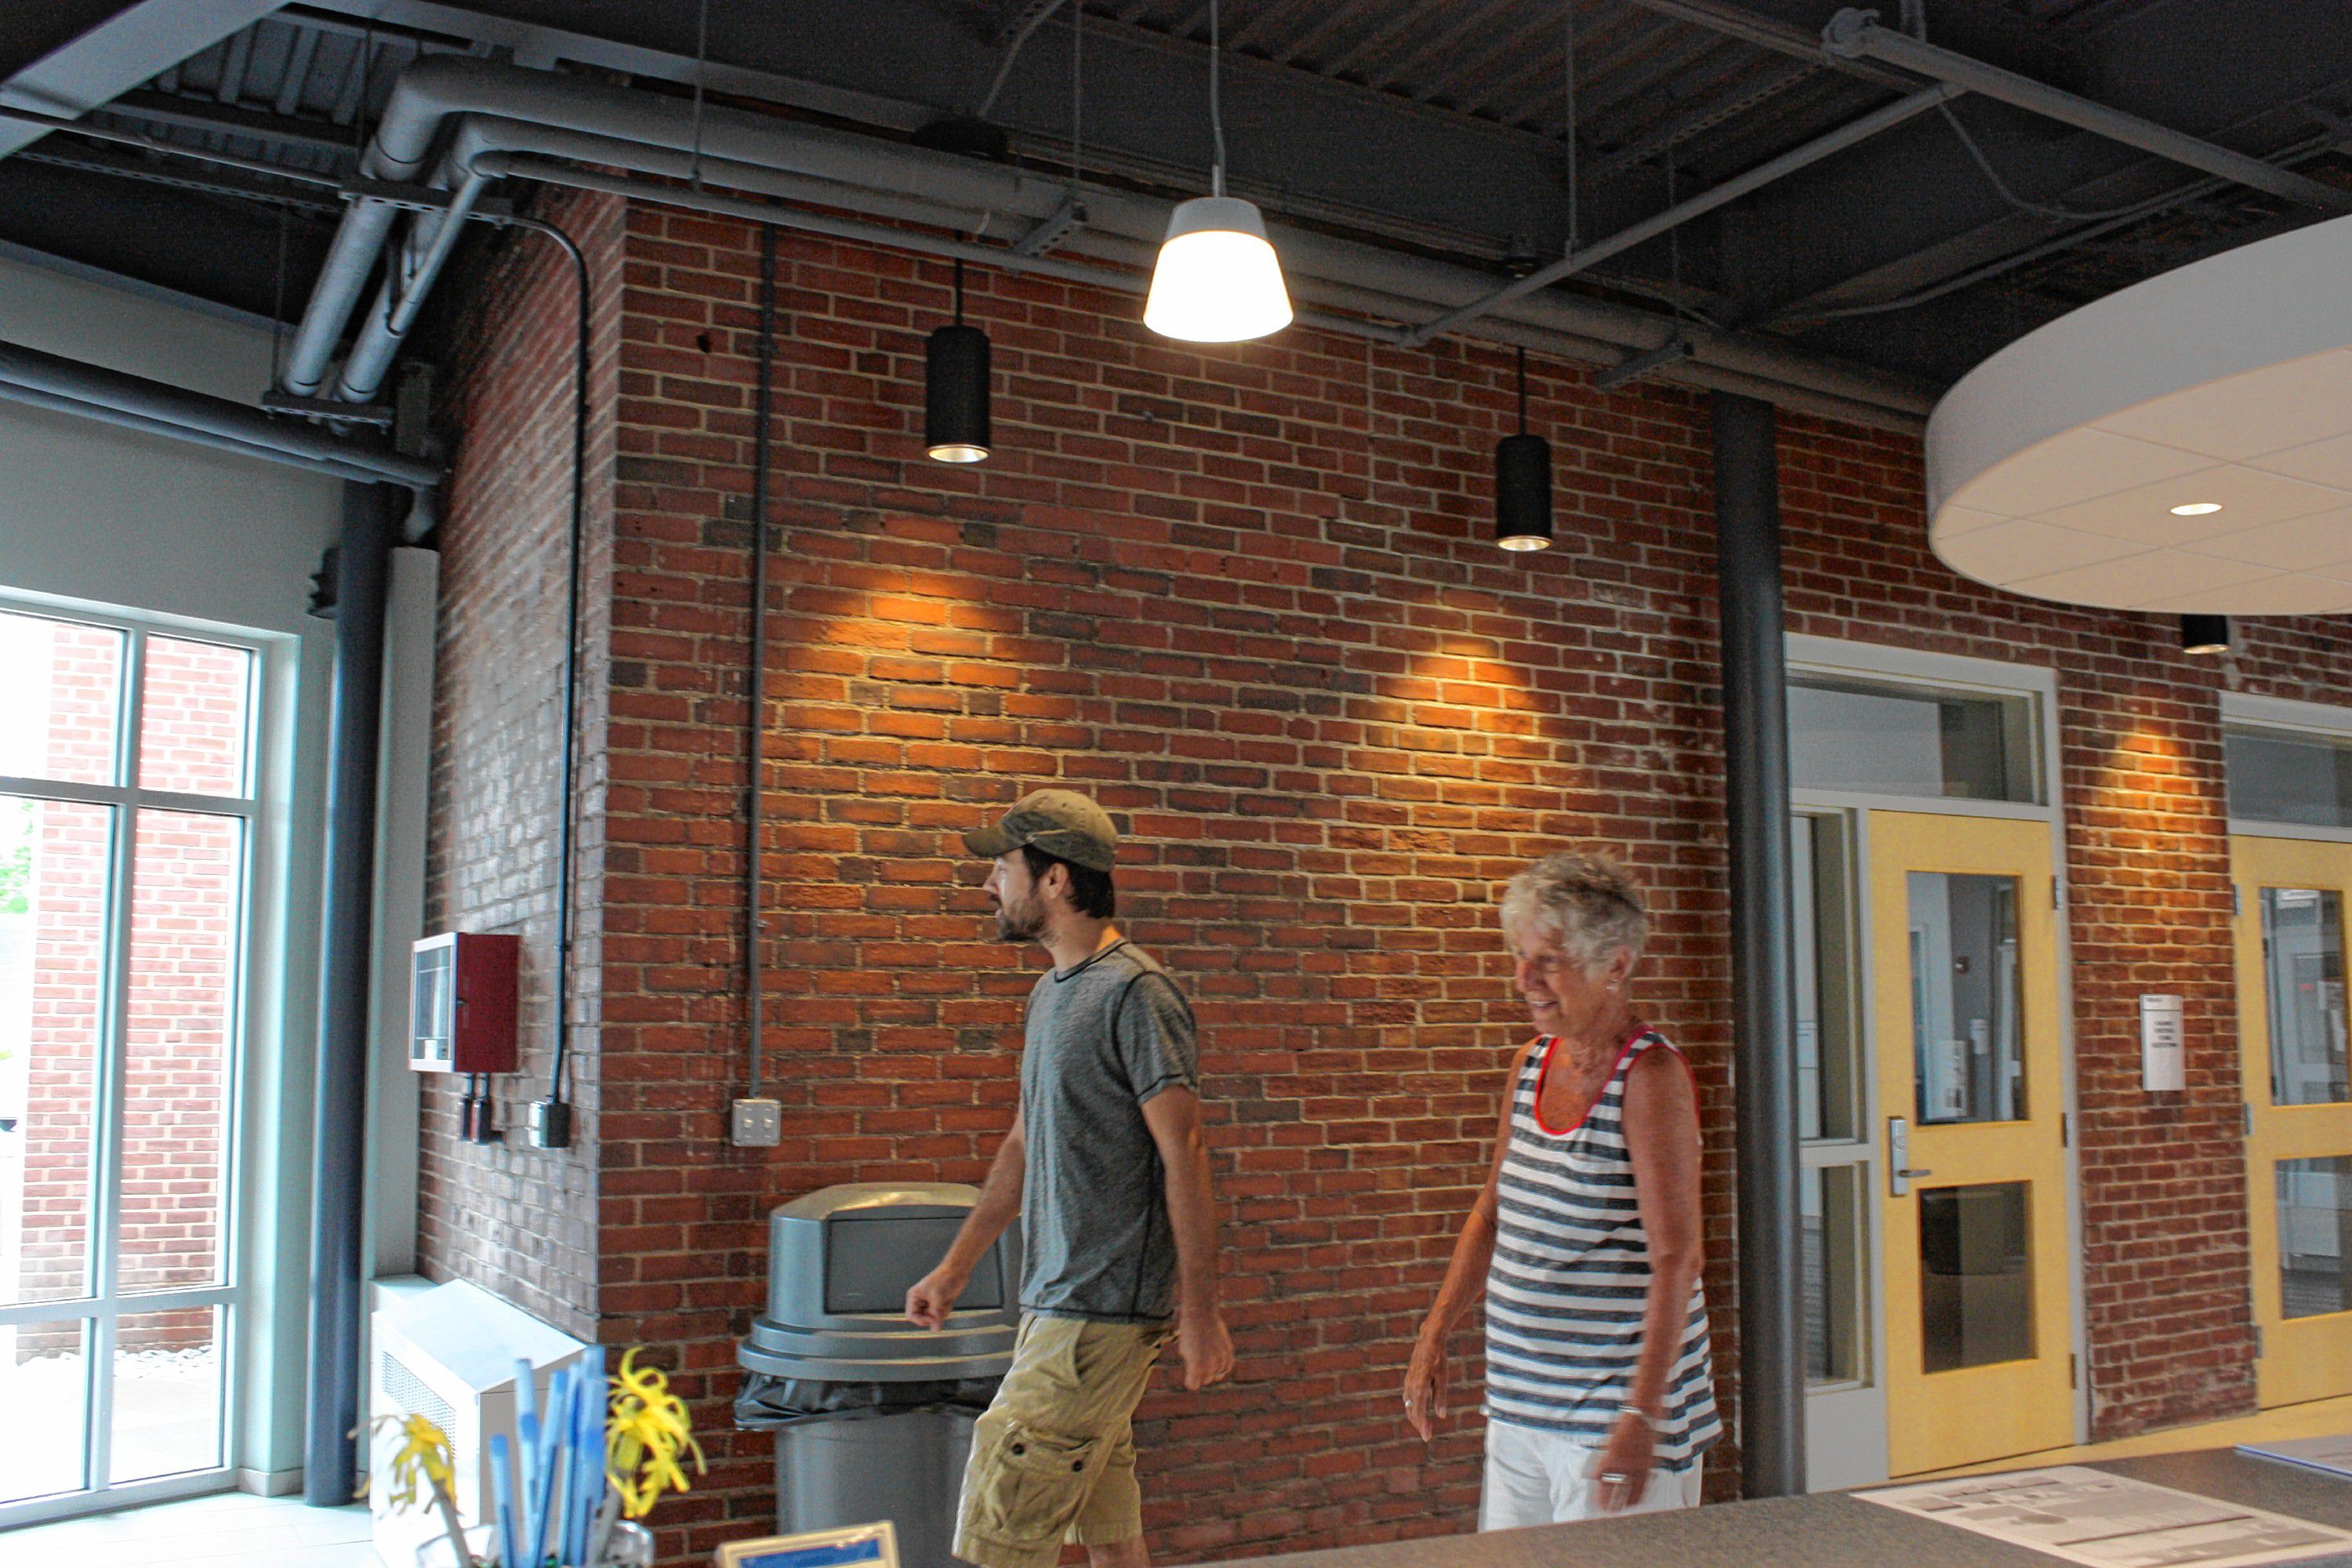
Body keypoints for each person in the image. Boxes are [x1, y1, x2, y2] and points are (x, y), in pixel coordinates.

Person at [907, 788, 1235, 1568]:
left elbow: (1183, 1147)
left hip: (1099, 1310)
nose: (990, 884)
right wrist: (956, 1266)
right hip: (1057, 1299)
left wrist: (1201, 1309)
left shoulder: (1136, 992)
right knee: (1110, 1532)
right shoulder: (1050, 996)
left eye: (1003, 866)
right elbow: (1023, 1144)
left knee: (1001, 1527)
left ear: (1055, 878)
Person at [1403, 850, 1719, 1528]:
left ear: (1616, 966)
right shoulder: (1531, 1063)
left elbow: (1678, 1259)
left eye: (1548, 961)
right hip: (1521, 1405)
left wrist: (1641, 1415)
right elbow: (1494, 1210)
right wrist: (1435, 1332)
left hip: (1611, 1421)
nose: (1524, 980)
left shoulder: (1649, 1078)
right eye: (1521, 957)